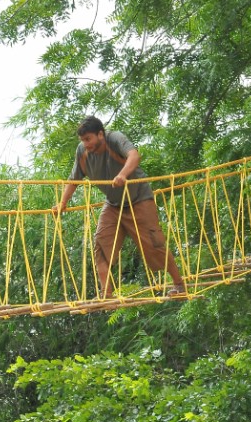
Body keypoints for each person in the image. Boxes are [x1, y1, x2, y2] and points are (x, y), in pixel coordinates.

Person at [52, 116, 186, 298]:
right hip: (114, 204)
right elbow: (74, 179)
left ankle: (179, 284)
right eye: (83, 140)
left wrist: (123, 175)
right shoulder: (82, 151)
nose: (86, 144)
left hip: (138, 199)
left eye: (88, 139)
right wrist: (63, 202)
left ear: (100, 134)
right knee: (100, 243)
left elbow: (134, 155)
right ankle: (106, 293)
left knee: (154, 244)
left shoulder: (114, 139)